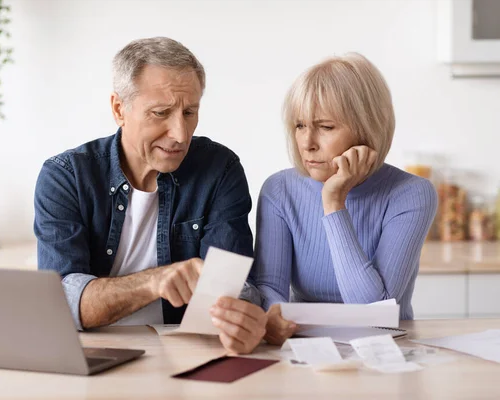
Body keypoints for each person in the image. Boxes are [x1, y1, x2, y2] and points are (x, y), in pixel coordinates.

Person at [34, 37, 266, 354]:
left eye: (189, 112)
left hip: (184, 351)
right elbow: (61, 300)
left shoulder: (220, 170)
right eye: (161, 113)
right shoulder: (66, 176)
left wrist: (243, 319)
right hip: (91, 351)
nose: (180, 134)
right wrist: (153, 281)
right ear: (119, 109)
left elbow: (231, 290)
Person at [248, 53, 437, 345]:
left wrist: (334, 202)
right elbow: (269, 289)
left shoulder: (411, 194)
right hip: (303, 347)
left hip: (388, 350)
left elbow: (376, 313)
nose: (307, 143)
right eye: (299, 125)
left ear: (367, 128)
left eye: (325, 127)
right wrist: (277, 320)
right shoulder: (279, 190)